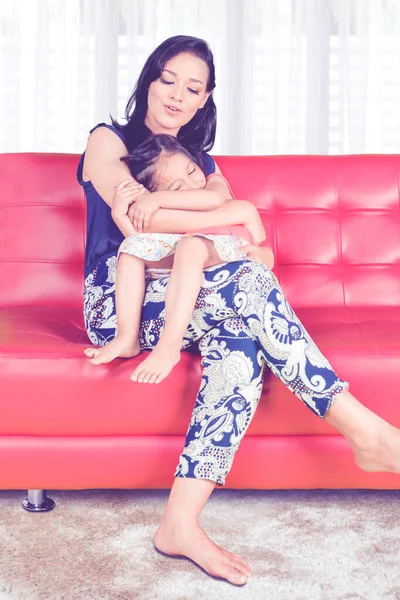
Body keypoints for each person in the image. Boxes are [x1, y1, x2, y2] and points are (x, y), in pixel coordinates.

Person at [78, 35, 400, 586]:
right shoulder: (109, 140)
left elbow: (253, 239)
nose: (177, 94)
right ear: (148, 80)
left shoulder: (204, 161)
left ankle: (178, 524)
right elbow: (138, 219)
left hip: (196, 291)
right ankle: (366, 432)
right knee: (246, 278)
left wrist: (221, 220)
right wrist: (216, 215)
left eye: (193, 87)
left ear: (205, 101)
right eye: (168, 79)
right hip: (121, 295)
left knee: (242, 342)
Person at [84, 133, 275, 383]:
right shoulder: (170, 219)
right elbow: (139, 244)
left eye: (192, 171)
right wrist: (121, 215)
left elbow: (237, 218)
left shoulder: (211, 183)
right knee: (130, 252)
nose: (191, 184)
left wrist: (154, 199)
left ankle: (169, 346)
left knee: (190, 248)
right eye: (176, 186)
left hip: (227, 247)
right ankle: (126, 338)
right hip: (184, 254)